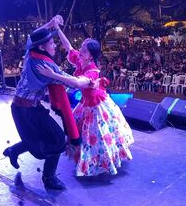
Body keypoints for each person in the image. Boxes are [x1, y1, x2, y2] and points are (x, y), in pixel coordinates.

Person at [38, 37, 134, 177]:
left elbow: (77, 83)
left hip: (96, 106)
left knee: (95, 137)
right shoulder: (80, 59)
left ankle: (97, 162)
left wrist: (53, 75)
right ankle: (84, 157)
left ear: (91, 56)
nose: (80, 51)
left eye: (84, 50)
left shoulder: (92, 71)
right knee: (77, 130)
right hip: (85, 103)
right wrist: (58, 29)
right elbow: (68, 46)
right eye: (81, 48)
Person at [2, 16, 75, 190]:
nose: (55, 45)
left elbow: (32, 37)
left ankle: (14, 151)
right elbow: (71, 81)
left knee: (47, 138)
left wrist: (50, 24)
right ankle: (48, 179)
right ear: (42, 47)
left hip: (31, 108)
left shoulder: (31, 52)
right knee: (51, 140)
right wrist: (89, 82)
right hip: (23, 110)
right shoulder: (44, 65)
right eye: (51, 43)